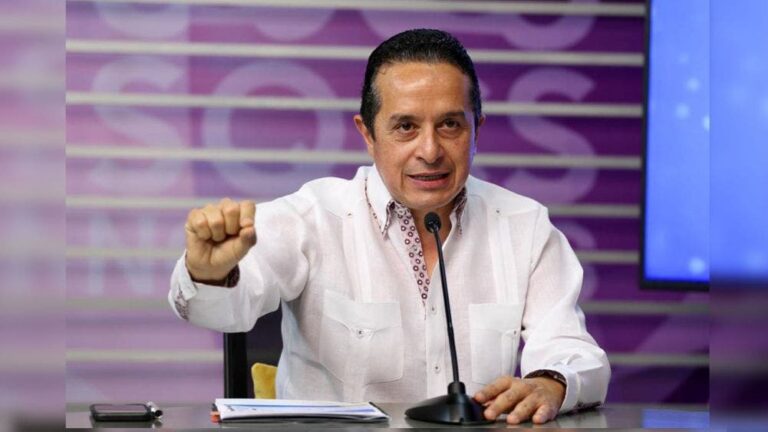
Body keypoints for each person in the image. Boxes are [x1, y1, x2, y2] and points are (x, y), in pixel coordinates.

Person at [169, 28, 609, 425]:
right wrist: (209, 272)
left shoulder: (524, 225)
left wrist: (551, 382)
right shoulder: (314, 216)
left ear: (477, 129)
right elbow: (226, 310)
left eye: (450, 125)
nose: (430, 151)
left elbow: (573, 350)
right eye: (405, 127)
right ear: (368, 134)